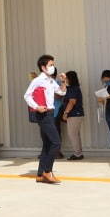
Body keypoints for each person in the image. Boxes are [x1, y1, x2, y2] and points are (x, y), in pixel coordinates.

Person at [25, 54, 65, 184]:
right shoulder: (37, 80)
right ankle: (47, 172)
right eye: (50, 65)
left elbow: (61, 92)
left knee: (47, 144)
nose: (53, 67)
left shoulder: (50, 80)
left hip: (50, 113)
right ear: (43, 67)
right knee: (56, 142)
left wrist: (63, 81)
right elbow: (27, 96)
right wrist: (36, 107)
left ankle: (40, 174)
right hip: (43, 114)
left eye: (53, 64)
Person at [60, 70, 86, 161]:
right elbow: (62, 90)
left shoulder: (73, 88)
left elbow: (72, 102)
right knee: (75, 134)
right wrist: (63, 81)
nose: (66, 79)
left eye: (66, 78)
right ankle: (79, 153)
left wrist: (65, 113)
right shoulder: (71, 88)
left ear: (70, 78)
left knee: (72, 134)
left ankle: (77, 154)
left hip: (74, 114)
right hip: (76, 114)